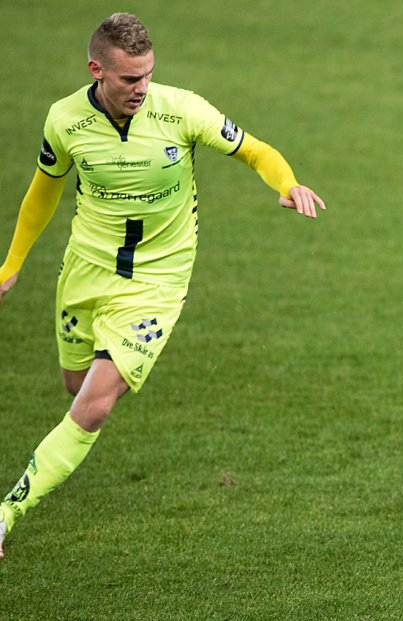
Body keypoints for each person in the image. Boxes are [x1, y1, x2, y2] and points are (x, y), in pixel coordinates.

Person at [0, 13, 326, 558]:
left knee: (94, 407)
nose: (141, 88)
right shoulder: (65, 121)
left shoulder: (182, 110)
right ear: (96, 70)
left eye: (148, 75)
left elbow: (255, 150)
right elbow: (43, 191)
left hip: (157, 280)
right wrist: (11, 263)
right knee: (73, 385)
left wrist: (288, 183)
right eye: (130, 79)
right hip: (85, 271)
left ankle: (8, 510)